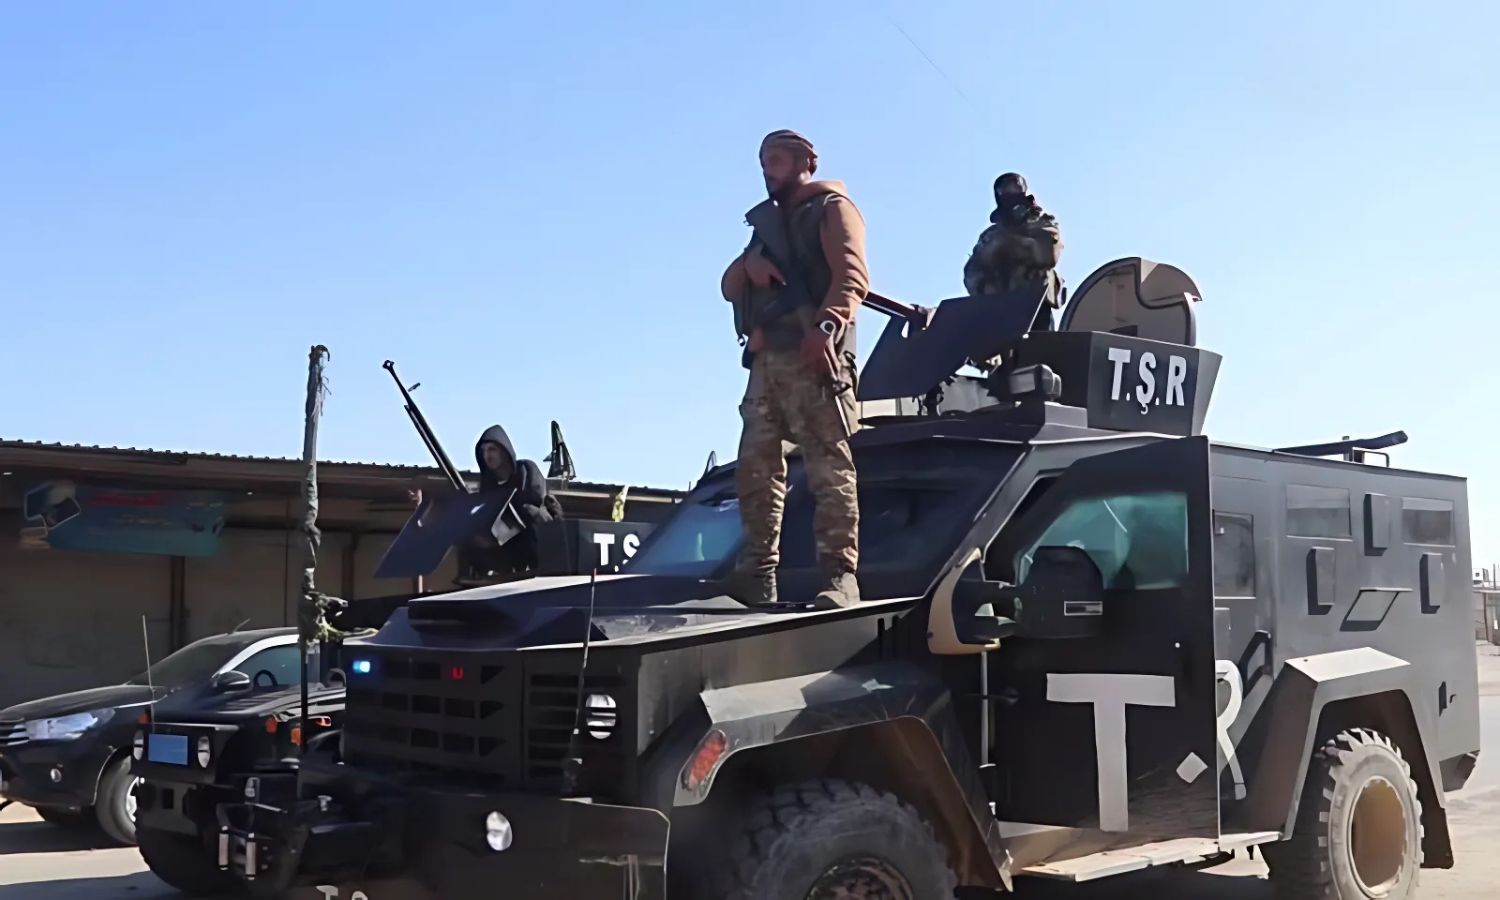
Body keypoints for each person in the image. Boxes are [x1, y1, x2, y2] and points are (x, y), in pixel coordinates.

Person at [718, 129, 867, 610]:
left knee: (829, 467)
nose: (768, 169)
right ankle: (759, 573)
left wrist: (825, 328)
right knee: (756, 469)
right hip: (769, 360)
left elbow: (852, 276)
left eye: (778, 159)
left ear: (808, 161)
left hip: (815, 356)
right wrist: (751, 265)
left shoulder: (831, 209)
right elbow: (727, 286)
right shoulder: (767, 228)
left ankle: (841, 578)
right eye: (764, 160)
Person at [962, 172, 1063, 333]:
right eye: (1007, 194)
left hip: (1036, 310)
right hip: (998, 311)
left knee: (1040, 354)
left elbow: (1047, 255)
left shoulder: (1043, 224)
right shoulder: (990, 236)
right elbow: (971, 275)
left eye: (1017, 190)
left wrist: (1005, 245)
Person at [460, 425, 564, 577]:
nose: (487, 456)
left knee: (530, 512)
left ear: (504, 450)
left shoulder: (525, 471)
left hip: (537, 541)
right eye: (484, 451)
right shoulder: (489, 489)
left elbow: (533, 504)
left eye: (492, 449)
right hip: (505, 553)